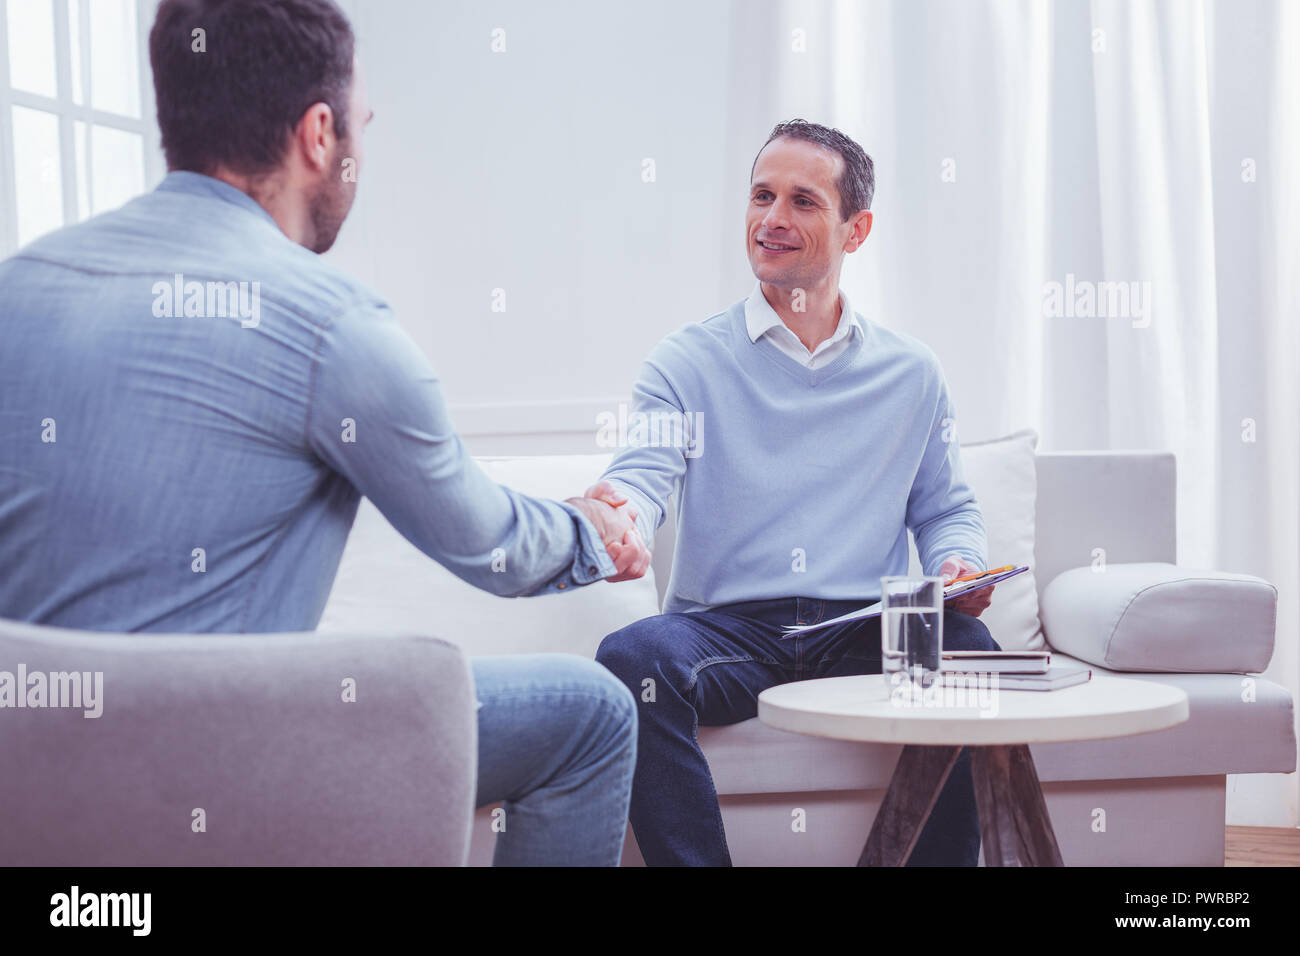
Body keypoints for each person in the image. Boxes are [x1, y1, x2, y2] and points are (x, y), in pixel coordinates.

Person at [0, 0, 648, 866]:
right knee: (592, 713)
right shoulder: (332, 327)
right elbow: (491, 547)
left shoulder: (19, 286)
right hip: (220, 775)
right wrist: (592, 532)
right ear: (317, 135)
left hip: (29, 784)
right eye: (360, 127)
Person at [587, 119, 1001, 866]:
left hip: (865, 621)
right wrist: (615, 513)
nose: (772, 219)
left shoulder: (912, 373)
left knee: (969, 651)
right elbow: (640, 480)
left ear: (856, 228)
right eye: (761, 196)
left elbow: (945, 510)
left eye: (803, 201)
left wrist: (957, 566)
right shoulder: (687, 361)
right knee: (633, 658)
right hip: (728, 632)